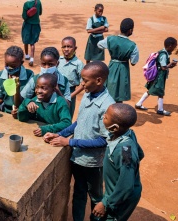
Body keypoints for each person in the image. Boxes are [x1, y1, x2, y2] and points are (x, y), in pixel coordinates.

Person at [43, 61, 115, 221]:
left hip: (93, 163)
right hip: (78, 158)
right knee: (79, 193)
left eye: (85, 80)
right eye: (81, 79)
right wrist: (59, 134)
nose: (81, 84)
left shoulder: (107, 106)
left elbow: (103, 141)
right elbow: (79, 123)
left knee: (96, 197)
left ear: (99, 80)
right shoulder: (88, 94)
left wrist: (69, 142)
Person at [92, 103, 144, 221]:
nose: (103, 117)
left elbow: (126, 185)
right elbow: (140, 154)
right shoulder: (129, 133)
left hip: (121, 197)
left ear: (115, 127)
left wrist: (105, 203)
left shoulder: (125, 150)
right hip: (115, 192)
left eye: (105, 117)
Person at [0, 46, 34, 118]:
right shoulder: (0, 76)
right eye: (6, 64)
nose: (9, 68)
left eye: (13, 66)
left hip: (23, 112)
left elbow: (24, 101)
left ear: (21, 63)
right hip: (6, 112)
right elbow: (0, 97)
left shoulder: (29, 75)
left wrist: (16, 88)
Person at [98, 18, 139, 103]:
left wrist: (111, 48)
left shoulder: (110, 39)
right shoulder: (133, 45)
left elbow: (99, 44)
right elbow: (133, 62)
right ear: (130, 30)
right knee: (119, 94)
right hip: (123, 69)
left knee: (109, 89)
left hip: (112, 66)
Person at [135, 37, 178, 116]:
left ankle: (139, 103)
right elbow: (163, 67)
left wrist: (170, 66)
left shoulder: (162, 52)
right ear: (170, 46)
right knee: (160, 92)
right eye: (175, 46)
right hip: (159, 76)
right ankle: (160, 110)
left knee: (151, 90)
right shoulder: (164, 55)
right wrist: (170, 64)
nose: (175, 48)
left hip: (156, 75)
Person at [58, 36, 84, 118]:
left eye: (69, 47)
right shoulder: (58, 60)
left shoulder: (78, 64)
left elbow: (83, 84)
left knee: (66, 116)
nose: (66, 49)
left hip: (70, 92)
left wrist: (70, 96)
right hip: (56, 90)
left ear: (75, 48)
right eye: (64, 46)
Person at [21, 0, 42, 66]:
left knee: (26, 40)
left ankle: (27, 55)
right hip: (36, 24)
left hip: (27, 24)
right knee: (32, 42)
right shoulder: (38, 2)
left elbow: (24, 16)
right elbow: (40, 13)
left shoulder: (26, 4)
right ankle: (32, 58)